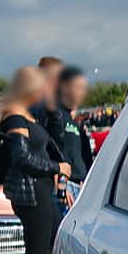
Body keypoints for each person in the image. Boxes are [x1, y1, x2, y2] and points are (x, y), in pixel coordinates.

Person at [0, 65, 70, 254]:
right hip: (30, 193)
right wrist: (55, 167)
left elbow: (50, 142)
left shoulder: (29, 114)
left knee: (53, 247)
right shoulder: (15, 117)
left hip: (41, 189)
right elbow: (22, 158)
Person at [49, 66, 93, 194]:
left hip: (80, 185)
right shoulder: (57, 115)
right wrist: (62, 184)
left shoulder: (73, 121)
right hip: (67, 185)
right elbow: (54, 151)